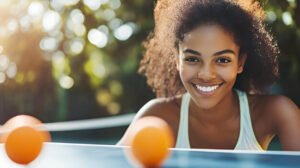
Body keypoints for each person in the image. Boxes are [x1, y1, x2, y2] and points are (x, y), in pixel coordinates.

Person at [117, 0, 300, 150]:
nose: (206, 75)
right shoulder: (157, 115)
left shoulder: (276, 112)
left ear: (240, 63)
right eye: (192, 59)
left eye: (222, 60)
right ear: (177, 60)